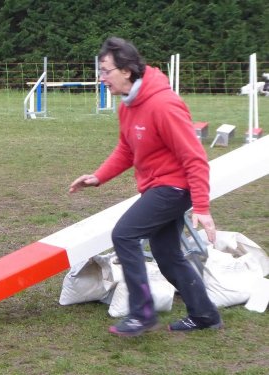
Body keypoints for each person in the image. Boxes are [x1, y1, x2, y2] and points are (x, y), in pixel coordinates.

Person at [69, 37, 222, 337]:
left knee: (124, 235)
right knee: (167, 255)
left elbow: (195, 158)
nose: (102, 79)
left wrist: (202, 207)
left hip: (174, 188)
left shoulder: (164, 105)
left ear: (126, 71)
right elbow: (126, 150)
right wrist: (97, 176)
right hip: (157, 187)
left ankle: (142, 313)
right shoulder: (128, 107)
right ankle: (204, 315)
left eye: (105, 71)